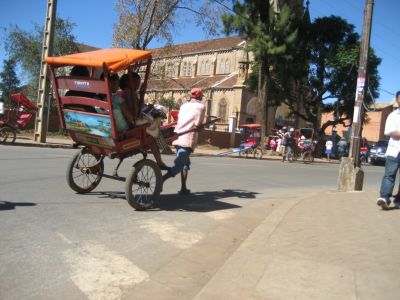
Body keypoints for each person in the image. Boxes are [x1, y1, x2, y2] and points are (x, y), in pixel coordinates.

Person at [162, 88, 206, 194]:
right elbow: (197, 125)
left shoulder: (183, 106)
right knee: (180, 165)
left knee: (185, 163)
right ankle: (162, 179)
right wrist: (202, 128)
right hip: (188, 138)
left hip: (178, 136)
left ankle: (183, 188)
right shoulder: (201, 107)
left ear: (190, 96)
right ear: (200, 97)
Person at [377, 91, 400, 210]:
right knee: (389, 175)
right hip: (395, 150)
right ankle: (384, 198)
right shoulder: (393, 115)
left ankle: (398, 200)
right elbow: (392, 132)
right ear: (397, 100)